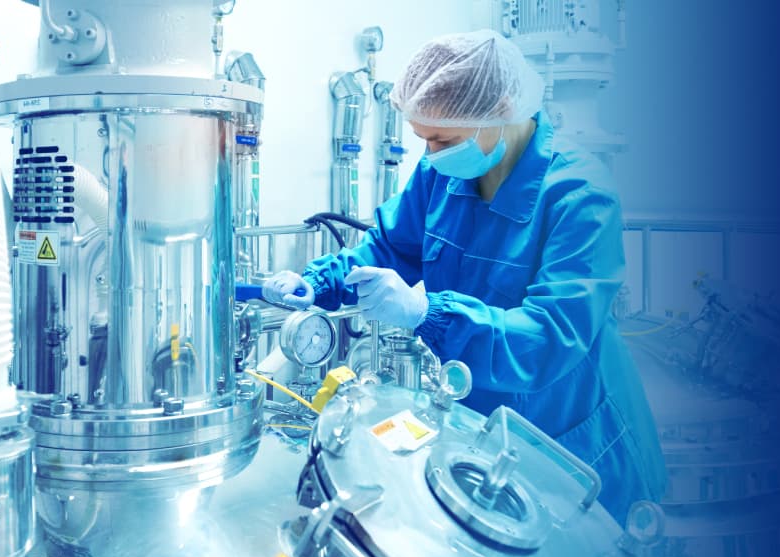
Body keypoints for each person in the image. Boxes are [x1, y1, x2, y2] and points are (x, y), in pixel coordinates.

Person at [263, 30, 666, 521]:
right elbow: (392, 247)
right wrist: (324, 281)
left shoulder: (580, 196)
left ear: (500, 108)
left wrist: (426, 313)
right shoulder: (444, 171)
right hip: (481, 427)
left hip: (572, 444)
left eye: (442, 140)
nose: (430, 155)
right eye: (423, 140)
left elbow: (551, 338)